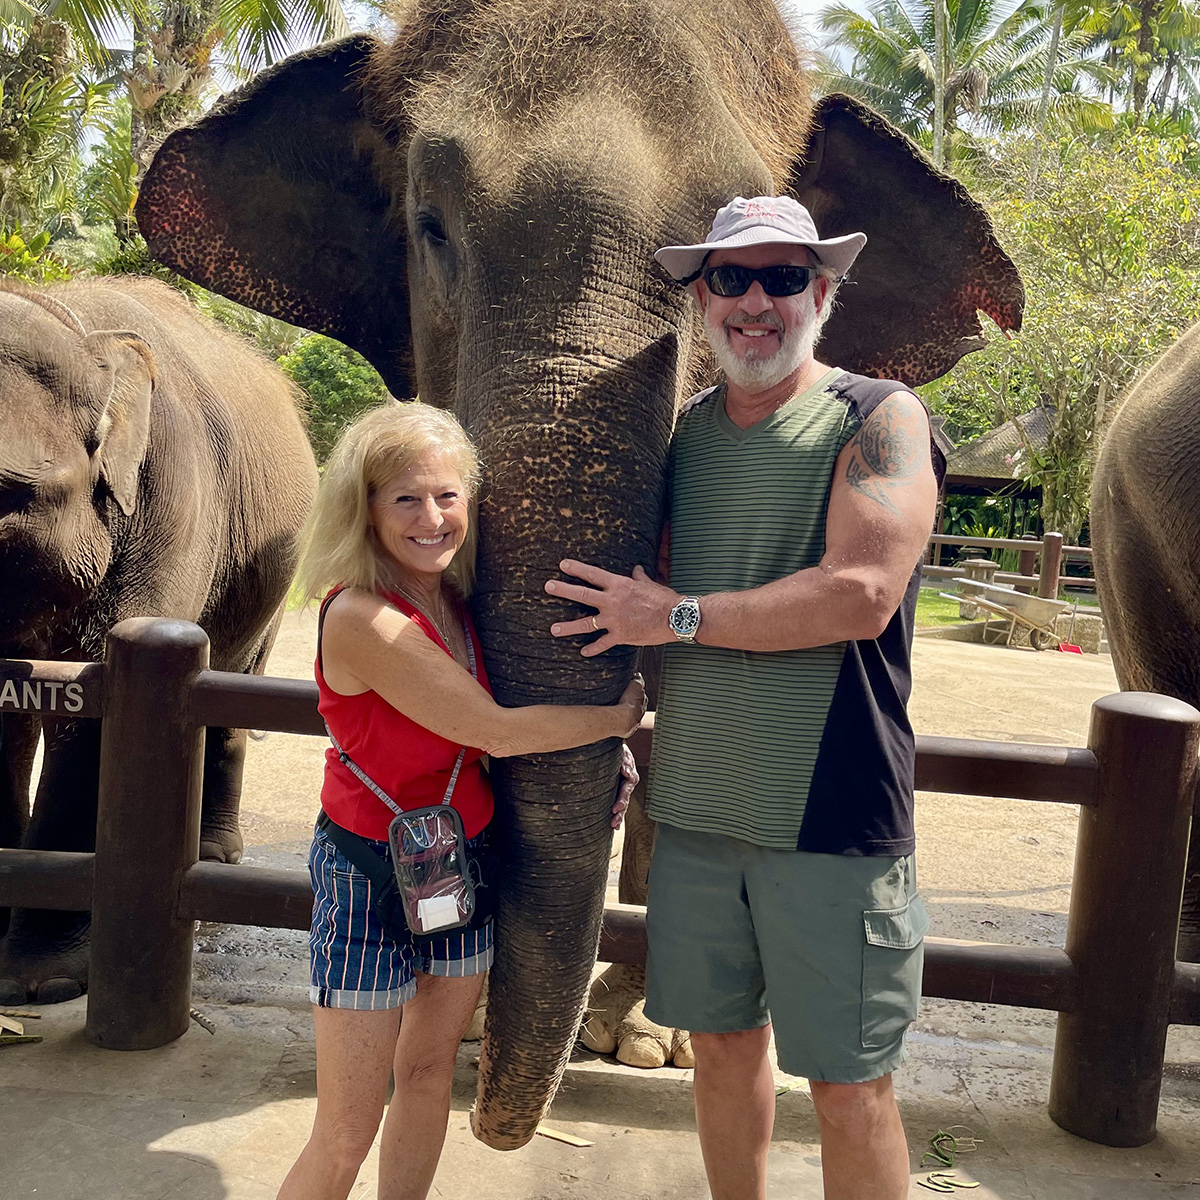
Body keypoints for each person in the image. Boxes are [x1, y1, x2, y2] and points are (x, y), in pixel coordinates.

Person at [545, 195, 942, 1200]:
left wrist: (674, 618)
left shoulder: (878, 416)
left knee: (849, 1088)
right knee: (718, 1052)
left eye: (782, 278)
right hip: (693, 814)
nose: (755, 302)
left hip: (831, 819)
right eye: (730, 278)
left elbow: (860, 595)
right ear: (701, 299)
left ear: (823, 292)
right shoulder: (682, 436)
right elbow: (631, 597)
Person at [279, 401, 645, 1200]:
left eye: (448, 496)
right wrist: (616, 722)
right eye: (406, 499)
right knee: (345, 1130)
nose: (432, 518)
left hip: (459, 865)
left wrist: (593, 758)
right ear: (365, 509)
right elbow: (494, 730)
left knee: (427, 1074)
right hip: (368, 875)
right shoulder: (363, 616)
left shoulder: (457, 599)